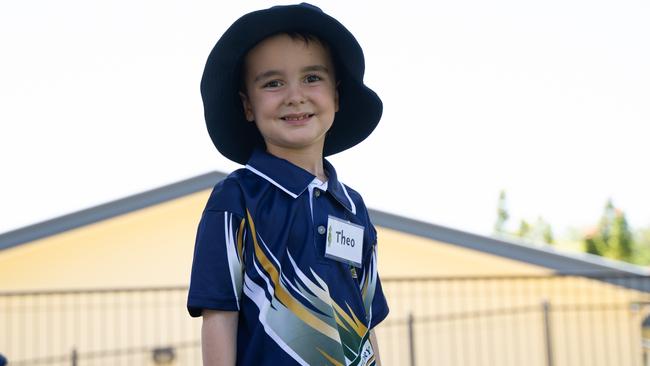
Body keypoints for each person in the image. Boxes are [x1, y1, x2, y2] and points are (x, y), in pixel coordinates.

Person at [187, 3, 389, 365]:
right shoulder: (235, 199)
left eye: (312, 78)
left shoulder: (353, 207)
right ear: (247, 106)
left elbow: (367, 317)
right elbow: (219, 316)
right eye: (273, 83)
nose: (294, 95)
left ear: (337, 95)